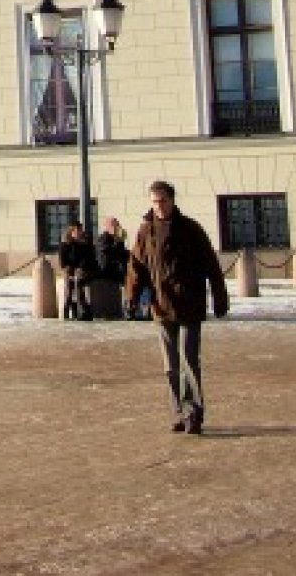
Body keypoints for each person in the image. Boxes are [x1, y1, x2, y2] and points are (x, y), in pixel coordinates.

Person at [123, 181, 229, 436]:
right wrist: (132, 296)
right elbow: (136, 266)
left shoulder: (191, 229)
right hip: (161, 306)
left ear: (172, 201)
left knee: (189, 360)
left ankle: (193, 413)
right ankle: (179, 412)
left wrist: (219, 295)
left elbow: (211, 265)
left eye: (163, 201)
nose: (159, 206)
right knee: (170, 366)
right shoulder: (145, 231)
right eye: (154, 202)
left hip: (189, 304)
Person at [93, 217, 135, 319]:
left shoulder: (116, 239)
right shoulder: (102, 238)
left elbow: (122, 253)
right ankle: (127, 309)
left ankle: (129, 309)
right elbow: (108, 253)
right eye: (114, 225)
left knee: (131, 279)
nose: (117, 227)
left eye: (117, 225)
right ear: (107, 227)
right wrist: (119, 241)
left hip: (117, 269)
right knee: (126, 280)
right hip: (106, 270)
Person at [55, 222, 96, 320]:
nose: (79, 233)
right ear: (71, 232)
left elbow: (88, 259)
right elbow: (63, 262)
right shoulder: (64, 245)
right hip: (70, 271)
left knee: (78, 281)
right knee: (69, 284)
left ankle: (81, 309)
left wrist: (80, 268)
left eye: (80, 231)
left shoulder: (85, 243)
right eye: (76, 231)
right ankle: (68, 308)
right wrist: (69, 270)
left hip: (84, 271)